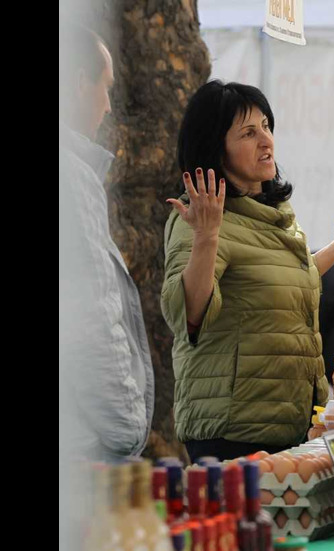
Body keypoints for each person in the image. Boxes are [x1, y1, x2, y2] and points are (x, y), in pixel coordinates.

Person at [162, 80, 334, 461]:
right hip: (235, 432)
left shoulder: (270, 213)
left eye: (266, 126)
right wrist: (207, 236)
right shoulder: (199, 220)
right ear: (217, 149)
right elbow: (188, 314)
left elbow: (284, 282)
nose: (266, 141)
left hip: (288, 420)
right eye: (249, 132)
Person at [59, 23, 154, 461]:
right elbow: (91, 318)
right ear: (80, 83)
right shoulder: (71, 175)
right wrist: (128, 428)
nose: (108, 105)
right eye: (106, 87)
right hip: (82, 447)